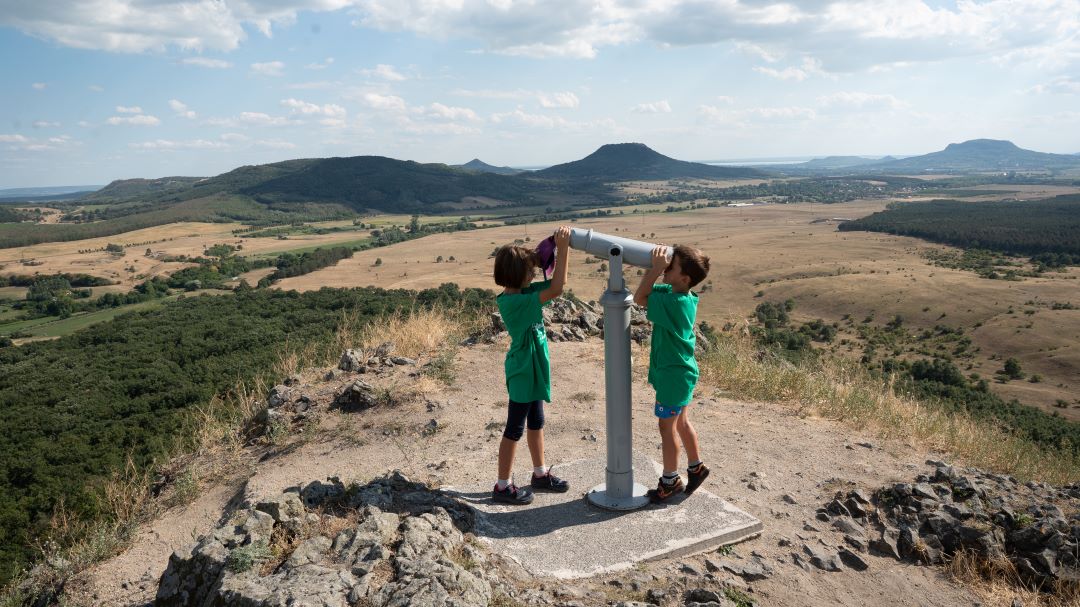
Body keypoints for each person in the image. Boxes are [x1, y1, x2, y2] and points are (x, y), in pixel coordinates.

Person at [491, 226, 573, 505]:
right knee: (514, 428)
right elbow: (557, 287)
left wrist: (543, 252)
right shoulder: (517, 302)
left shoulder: (521, 292)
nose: (534, 275)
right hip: (524, 370)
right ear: (518, 276)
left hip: (533, 367)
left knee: (536, 422)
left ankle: (539, 474)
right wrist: (563, 250)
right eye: (530, 272)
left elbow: (543, 280)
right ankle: (502, 486)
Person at [633, 244, 712, 503]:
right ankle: (696, 468)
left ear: (685, 278)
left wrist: (655, 268)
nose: (666, 268)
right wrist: (662, 269)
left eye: (671, 266)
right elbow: (651, 292)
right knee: (682, 422)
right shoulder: (681, 295)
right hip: (680, 373)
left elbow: (640, 297)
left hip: (673, 376)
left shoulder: (675, 302)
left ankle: (670, 481)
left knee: (666, 427)